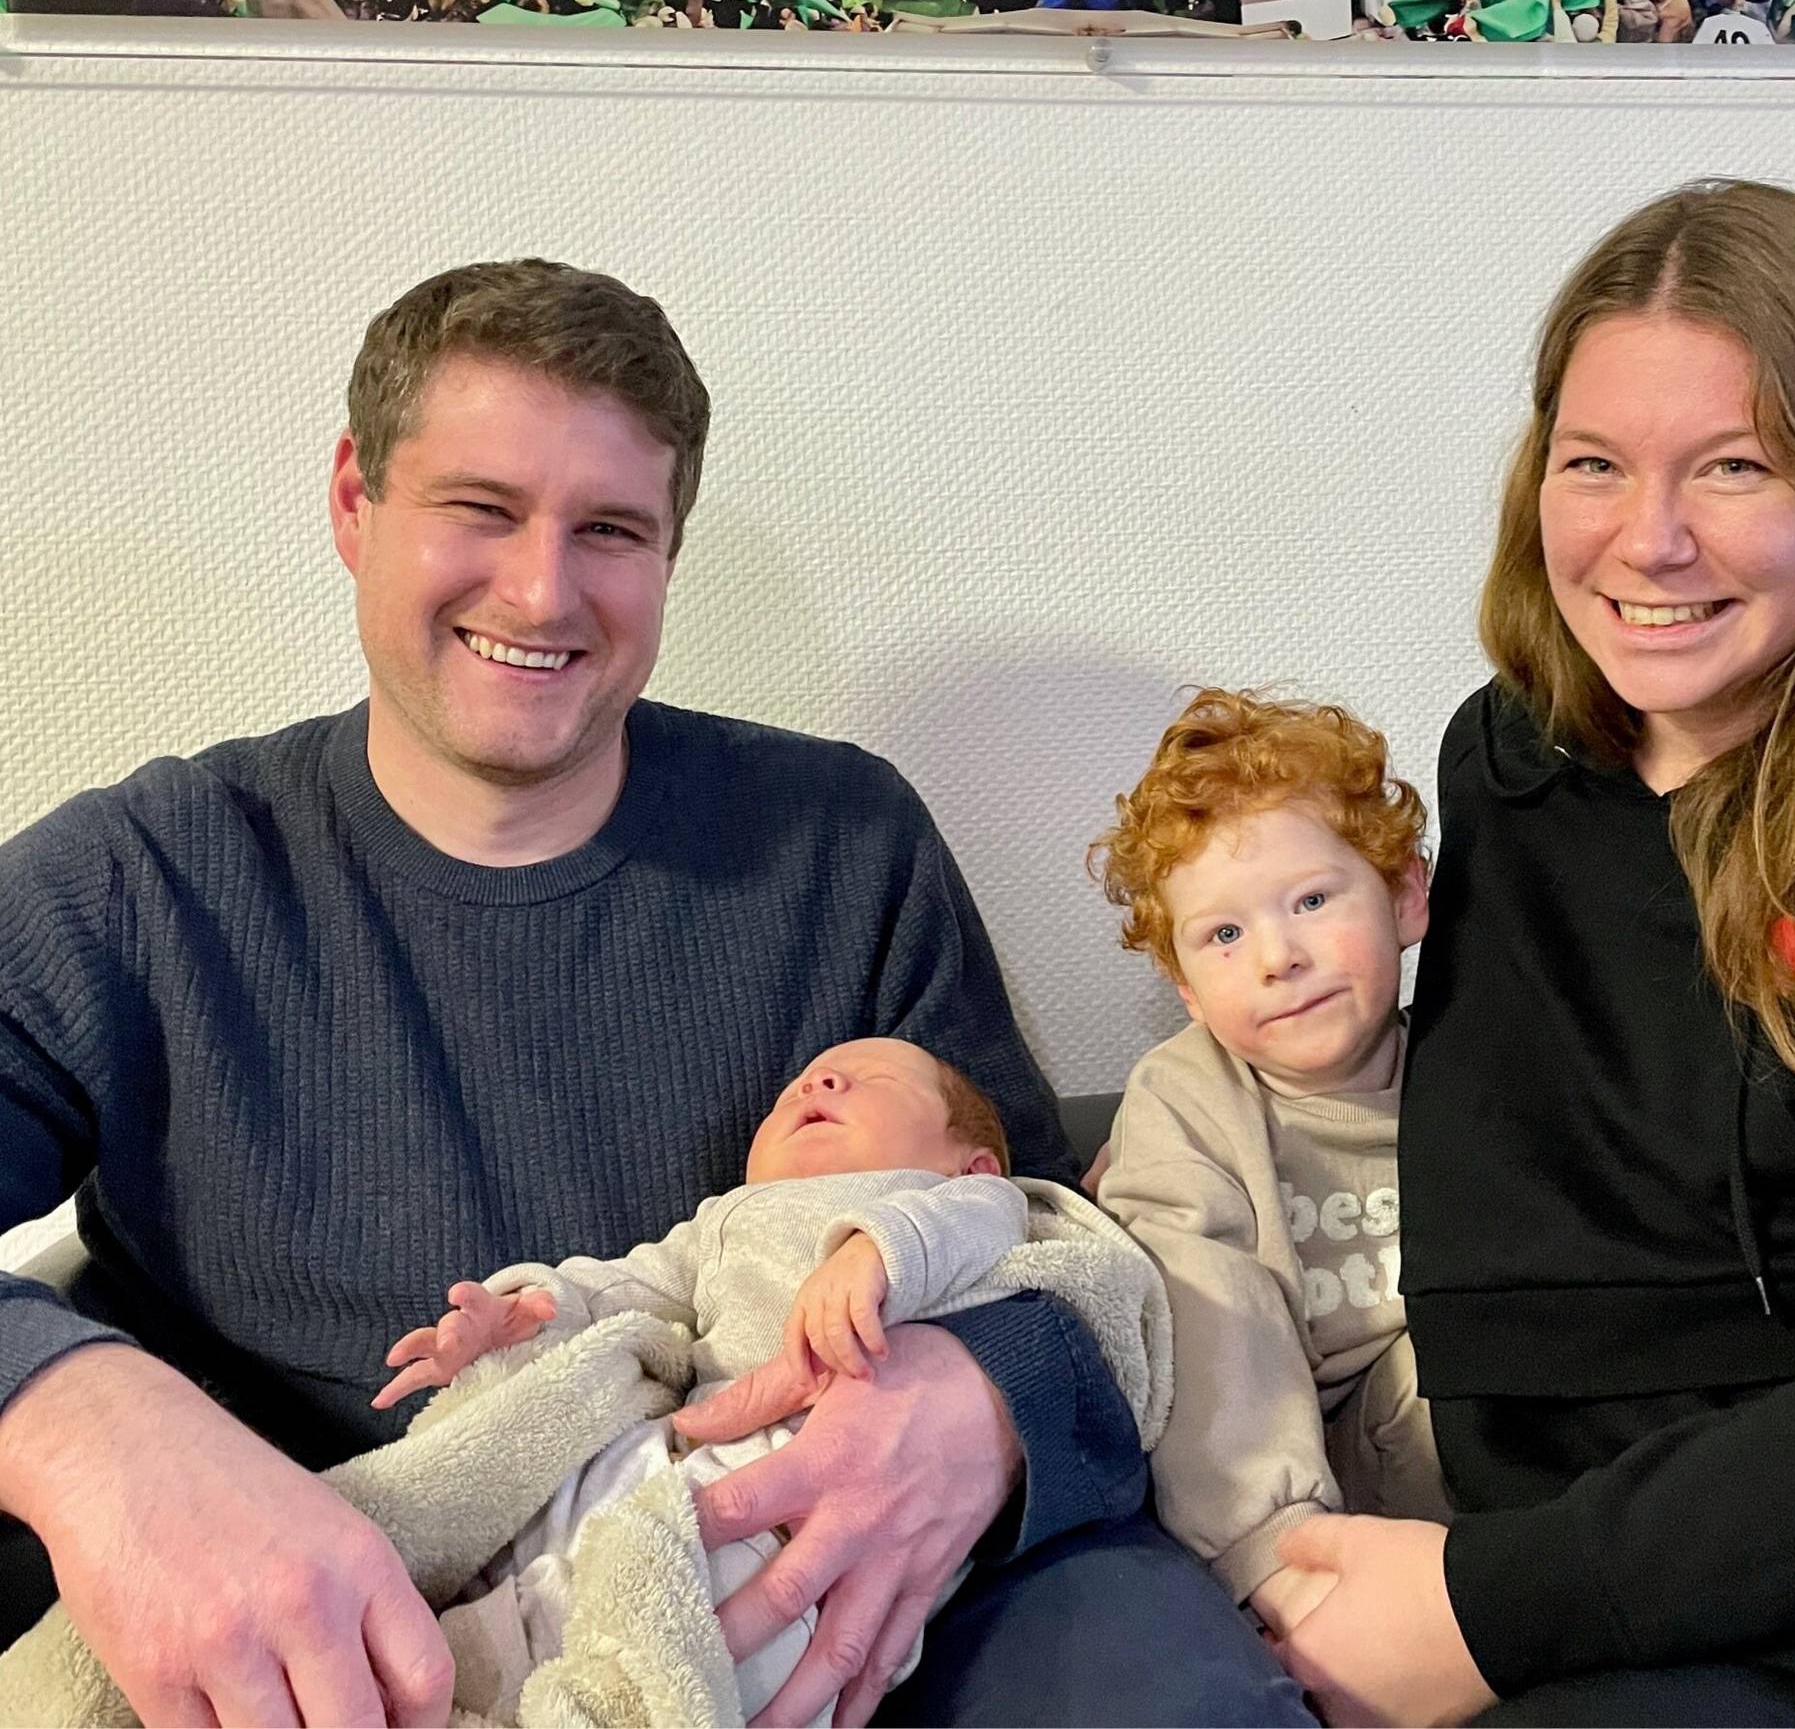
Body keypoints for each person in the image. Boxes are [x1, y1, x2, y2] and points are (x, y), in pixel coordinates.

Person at [0, 260, 1310, 1729]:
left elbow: (1058, 1241)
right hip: (341, 1602)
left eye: (610, 531)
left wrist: (993, 1403)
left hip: (795, 1582)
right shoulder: (141, 880)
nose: (542, 590)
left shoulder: (841, 843)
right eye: (481, 510)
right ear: (356, 505)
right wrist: (75, 1419)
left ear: (667, 557)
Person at [1262, 181, 1795, 1725]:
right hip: (1596, 1594)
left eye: (1734, 467)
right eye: (1595, 466)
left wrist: (1490, 1609)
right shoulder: (1506, 762)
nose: (1647, 543)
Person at [350, 1037, 1150, 1725]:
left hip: (824, 1484)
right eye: (799, 1084)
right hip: (682, 1450)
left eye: (871, 1079)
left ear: (968, 1160)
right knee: (569, 1500)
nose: (819, 1082)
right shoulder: (724, 1220)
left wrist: (878, 1254)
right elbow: (622, 1287)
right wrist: (522, 1311)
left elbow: (984, 1223)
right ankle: (452, 1644)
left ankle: (566, 1682)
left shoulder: (960, 1201)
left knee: (726, 1610)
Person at [1092, 692, 1450, 1638]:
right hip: (1274, 1473)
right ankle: (1292, 1577)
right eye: (1224, 935)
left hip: (1460, 1438)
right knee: (1190, 1286)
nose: (1278, 958)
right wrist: (1278, 1548)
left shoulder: (1474, 1055)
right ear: (1185, 987)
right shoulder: (1184, 1094)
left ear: (1406, 896)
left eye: (1313, 901)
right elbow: (1199, 1317)